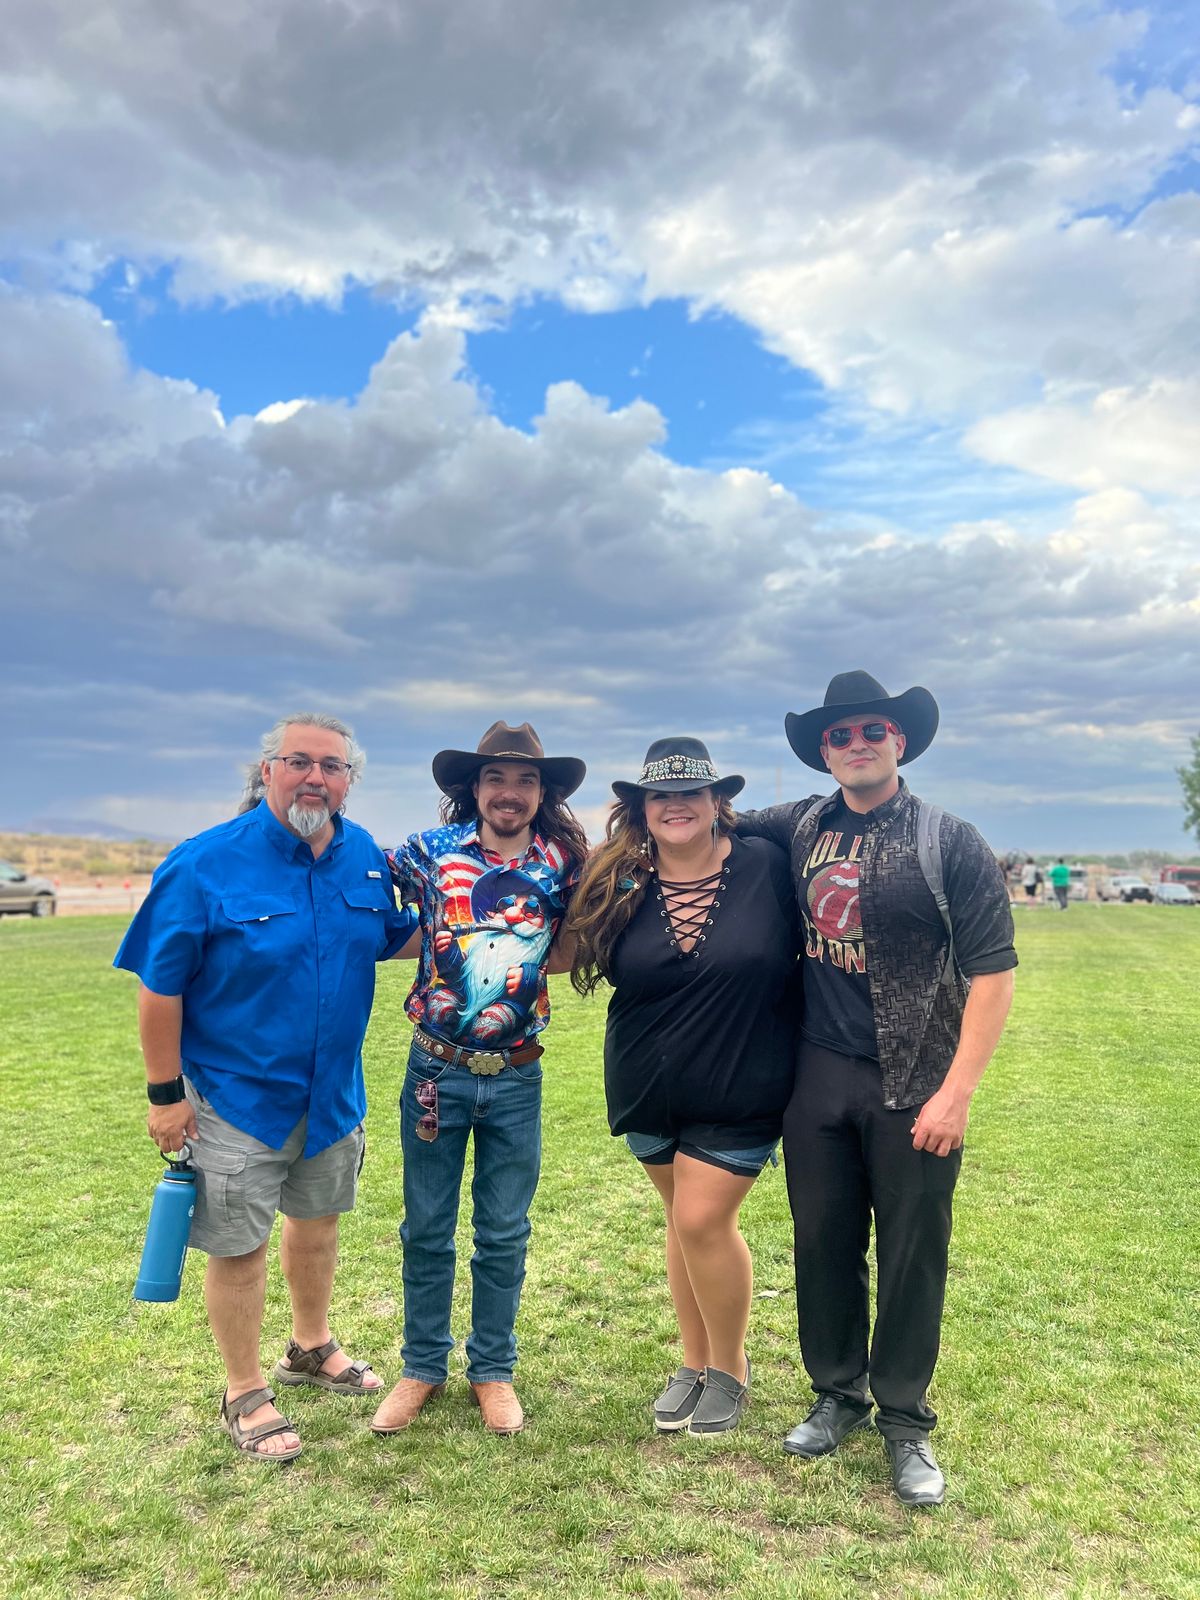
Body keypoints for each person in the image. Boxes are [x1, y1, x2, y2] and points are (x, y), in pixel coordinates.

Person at [737, 672, 1016, 1505]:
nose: (856, 745)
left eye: (871, 731)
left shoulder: (948, 839)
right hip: (818, 1073)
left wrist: (957, 1093)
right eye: (840, 735)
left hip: (917, 1081)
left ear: (899, 741)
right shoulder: (799, 825)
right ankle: (836, 1394)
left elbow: (994, 974)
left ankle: (903, 1418)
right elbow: (710, 822)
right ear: (823, 752)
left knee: (911, 1253)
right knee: (822, 1243)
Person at [114, 713, 415, 1461]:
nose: (316, 777)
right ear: (268, 770)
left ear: (349, 781)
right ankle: (244, 1390)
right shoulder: (203, 863)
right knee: (240, 1247)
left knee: (317, 1225)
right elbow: (160, 987)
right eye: (299, 761)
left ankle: (310, 1346)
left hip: (332, 1099)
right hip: (235, 1101)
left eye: (333, 766)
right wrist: (164, 1096)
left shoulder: (366, 859)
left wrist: (479, 927)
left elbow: (393, 937)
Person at [569, 738, 798, 1436]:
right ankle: (694, 1361)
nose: (676, 805)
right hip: (646, 1080)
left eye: (690, 792)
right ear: (641, 808)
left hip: (744, 1079)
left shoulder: (768, 864)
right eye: (660, 796)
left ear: (716, 801)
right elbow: (568, 947)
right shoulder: (619, 880)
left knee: (702, 1220)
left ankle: (730, 1367)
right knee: (681, 1221)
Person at [371, 722, 587, 1437]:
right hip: (437, 1070)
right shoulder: (428, 852)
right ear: (474, 787)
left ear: (543, 793)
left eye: (526, 781)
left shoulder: (566, 861)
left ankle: (493, 1370)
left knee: (503, 1231)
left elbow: (586, 934)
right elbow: (353, 874)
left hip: (517, 1076)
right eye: (496, 778)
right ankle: (421, 1368)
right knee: (426, 1228)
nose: (510, 793)